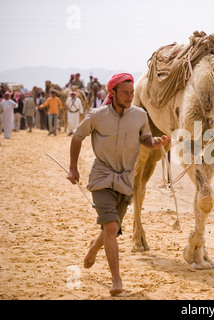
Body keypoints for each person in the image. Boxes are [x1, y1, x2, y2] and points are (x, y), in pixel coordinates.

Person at [66, 73, 170, 296]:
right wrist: (73, 167)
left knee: (111, 226)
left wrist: (156, 143)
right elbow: (77, 137)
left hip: (126, 179)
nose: (130, 97)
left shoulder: (140, 115)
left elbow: (146, 140)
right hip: (102, 176)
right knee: (112, 227)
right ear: (112, 93)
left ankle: (94, 248)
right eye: (125, 93)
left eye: (132, 93)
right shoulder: (97, 115)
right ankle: (116, 280)